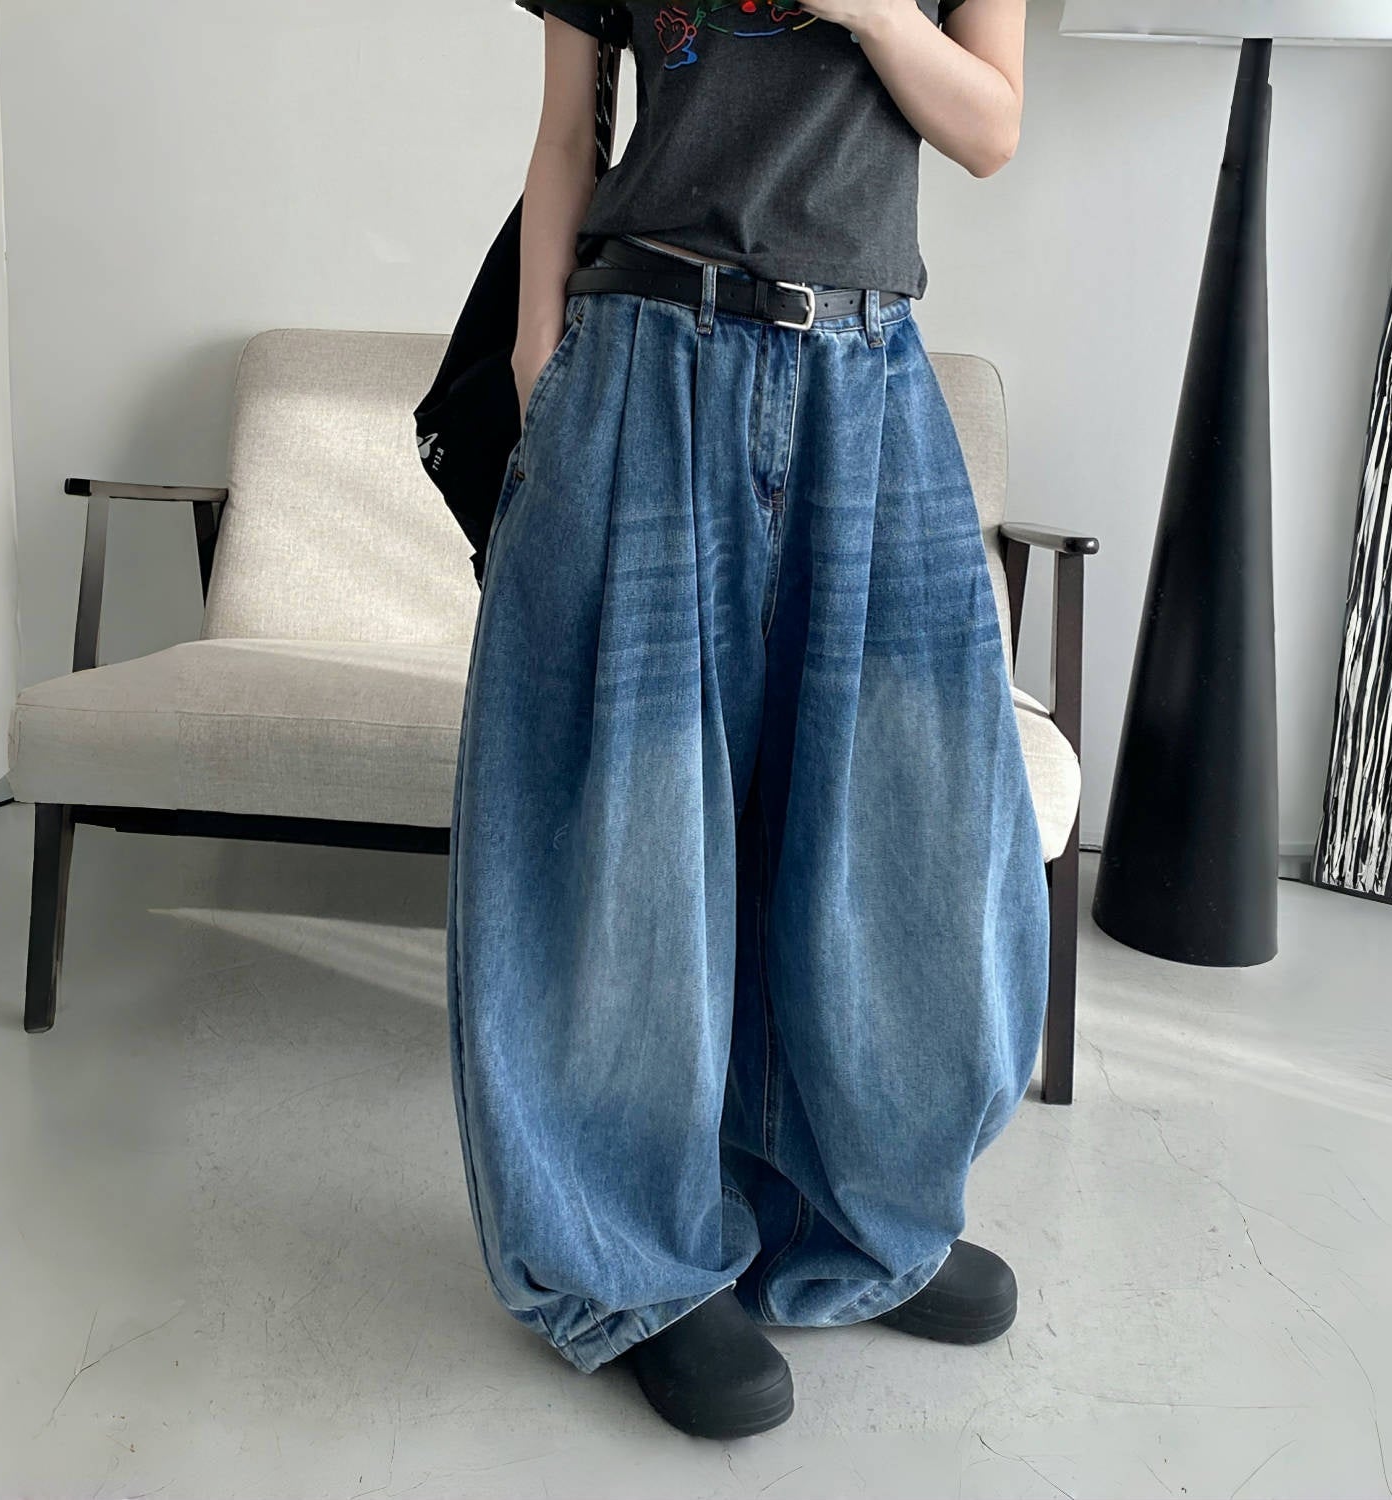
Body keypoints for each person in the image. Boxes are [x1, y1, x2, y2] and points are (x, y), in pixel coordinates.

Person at [445, 0, 1044, 1440]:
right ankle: (636, 1260)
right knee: (630, 839)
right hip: (644, 353)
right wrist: (536, 359)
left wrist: (872, 11)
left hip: (866, 371)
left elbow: (990, 128)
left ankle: (859, 1212)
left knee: (902, 823)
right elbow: (566, 133)